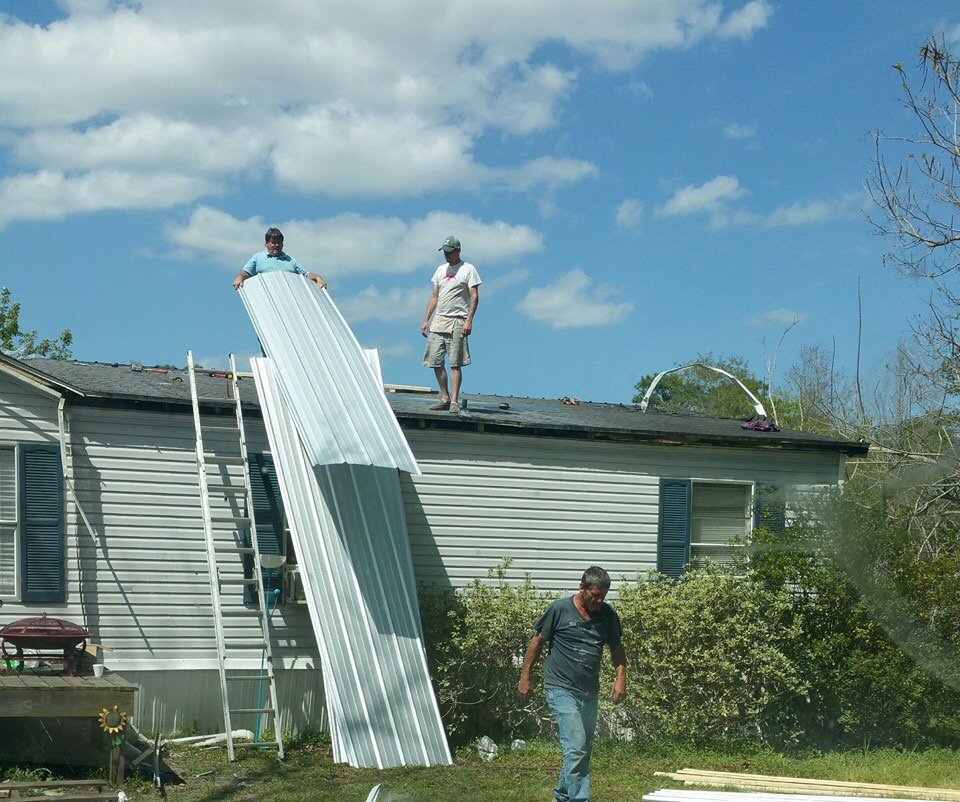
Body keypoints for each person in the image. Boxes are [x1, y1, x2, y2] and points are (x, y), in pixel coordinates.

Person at [518, 566, 628, 802]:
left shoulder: (607, 615)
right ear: (582, 588)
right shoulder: (560, 609)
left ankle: (562, 795)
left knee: (581, 750)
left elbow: (617, 648)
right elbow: (537, 642)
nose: (599, 601)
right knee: (576, 747)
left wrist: (621, 679)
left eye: (603, 596)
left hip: (589, 691)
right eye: (595, 595)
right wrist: (525, 676)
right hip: (561, 689)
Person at [420, 235, 481, 414]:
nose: (446, 255)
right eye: (445, 252)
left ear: (458, 251)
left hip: (458, 319)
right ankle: (444, 397)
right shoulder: (440, 270)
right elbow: (435, 296)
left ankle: (454, 401)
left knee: (455, 362)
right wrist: (426, 319)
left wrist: (469, 320)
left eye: (449, 252)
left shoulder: (468, 269)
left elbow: (474, 296)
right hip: (439, 319)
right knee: (434, 360)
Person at [233, 227, 328, 290]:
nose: (277, 245)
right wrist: (239, 277)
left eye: (279, 242)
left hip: (288, 296)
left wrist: (317, 277)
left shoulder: (290, 260)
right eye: (273, 242)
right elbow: (246, 272)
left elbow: (306, 274)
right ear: (266, 244)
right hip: (268, 296)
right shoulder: (258, 257)